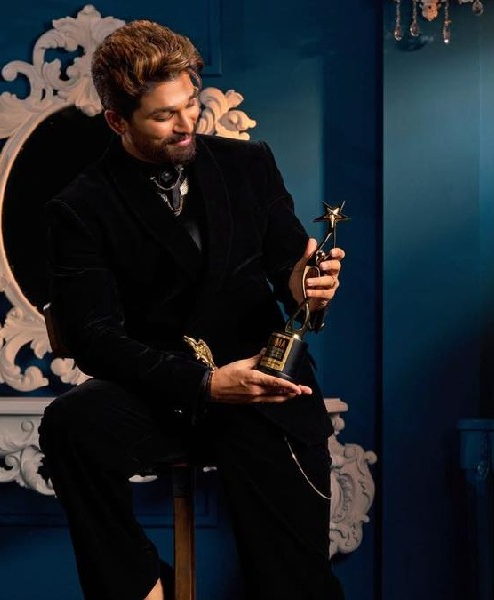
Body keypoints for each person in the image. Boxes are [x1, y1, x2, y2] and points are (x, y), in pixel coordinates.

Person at [38, 20, 346, 600]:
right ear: (117, 121)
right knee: (70, 423)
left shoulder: (250, 163)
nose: (187, 125)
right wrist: (203, 383)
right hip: (162, 395)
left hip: (262, 383)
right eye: (164, 115)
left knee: (294, 584)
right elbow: (93, 336)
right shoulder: (79, 206)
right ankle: (138, 586)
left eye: (191, 105)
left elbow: (288, 264)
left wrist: (305, 285)